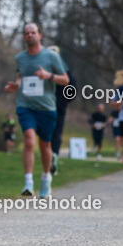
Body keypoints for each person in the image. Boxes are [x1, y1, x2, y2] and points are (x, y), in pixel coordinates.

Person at [3, 23, 69, 198]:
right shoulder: (20, 58)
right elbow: (20, 76)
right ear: (24, 37)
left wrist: (49, 76)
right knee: (29, 140)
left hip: (47, 108)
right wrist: (15, 85)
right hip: (26, 106)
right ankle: (28, 183)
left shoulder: (51, 56)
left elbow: (66, 79)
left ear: (40, 35)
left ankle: (46, 179)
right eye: (26, 33)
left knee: (45, 145)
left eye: (33, 32)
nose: (30, 35)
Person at [47, 45, 75, 175]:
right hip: (46, 106)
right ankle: (49, 159)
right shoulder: (45, 71)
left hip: (58, 107)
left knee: (55, 134)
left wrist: (64, 101)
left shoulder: (65, 72)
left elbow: (72, 89)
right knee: (49, 134)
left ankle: (54, 159)